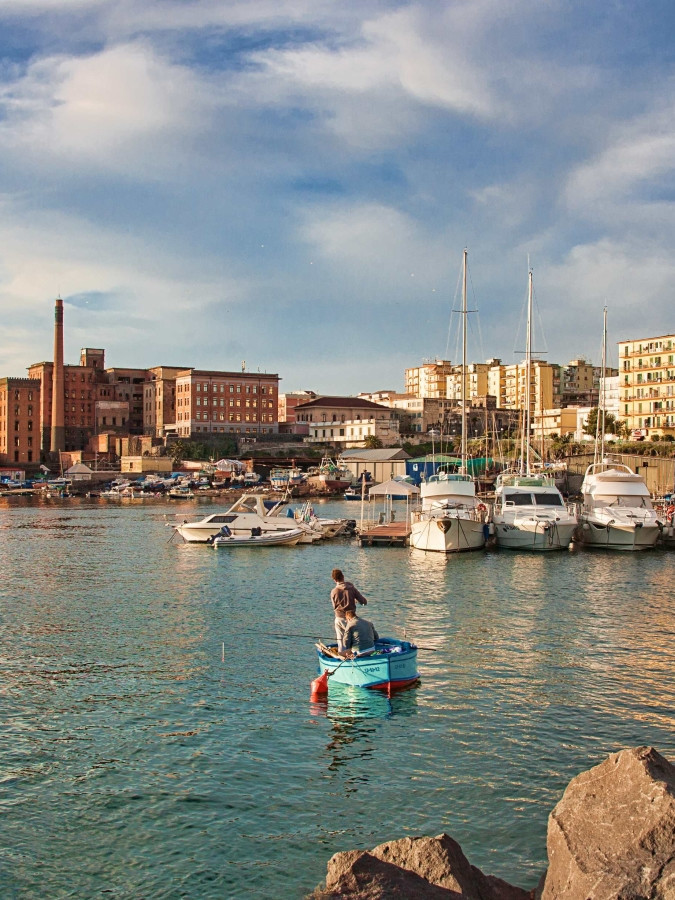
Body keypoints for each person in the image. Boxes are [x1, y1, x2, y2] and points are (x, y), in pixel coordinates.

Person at [330, 568, 367, 652]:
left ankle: (342, 656)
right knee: (354, 640)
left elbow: (334, 606)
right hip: (352, 619)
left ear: (334, 580)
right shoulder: (351, 588)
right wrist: (356, 601)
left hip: (340, 619)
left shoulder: (334, 592)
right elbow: (364, 602)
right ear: (343, 576)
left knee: (341, 641)